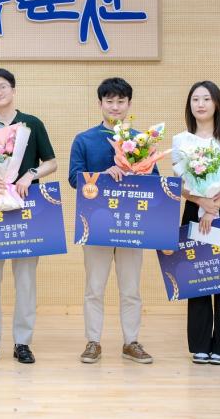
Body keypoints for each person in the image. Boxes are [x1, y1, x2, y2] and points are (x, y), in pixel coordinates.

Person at [0, 68, 57, 365]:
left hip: (28, 209)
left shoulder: (32, 124)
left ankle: (22, 342)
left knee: (26, 280)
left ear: (13, 90)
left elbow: (51, 162)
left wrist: (30, 174)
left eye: (3, 86)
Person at [68, 77, 155, 365]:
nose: (115, 107)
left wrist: (137, 172)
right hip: (96, 224)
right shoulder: (84, 139)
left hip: (132, 224)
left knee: (131, 289)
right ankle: (93, 341)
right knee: (94, 288)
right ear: (100, 104)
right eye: (109, 101)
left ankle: (131, 342)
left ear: (129, 104)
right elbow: (74, 178)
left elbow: (155, 180)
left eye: (120, 101)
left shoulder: (142, 141)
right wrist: (103, 175)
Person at [172, 81, 220, 366]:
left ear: (216, 103)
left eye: (206, 98)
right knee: (198, 274)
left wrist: (214, 206)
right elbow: (180, 183)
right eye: (195, 99)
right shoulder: (181, 140)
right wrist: (202, 202)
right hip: (194, 207)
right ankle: (200, 345)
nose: (200, 104)